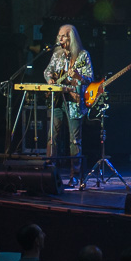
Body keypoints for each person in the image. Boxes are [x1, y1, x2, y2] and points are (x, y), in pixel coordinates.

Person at [44, 24, 94, 187]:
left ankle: (75, 176)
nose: (60, 38)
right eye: (59, 35)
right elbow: (47, 71)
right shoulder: (57, 54)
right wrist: (50, 79)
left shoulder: (82, 55)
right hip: (57, 99)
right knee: (52, 137)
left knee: (74, 140)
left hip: (74, 101)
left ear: (71, 38)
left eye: (64, 35)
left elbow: (90, 78)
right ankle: (50, 172)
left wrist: (78, 76)